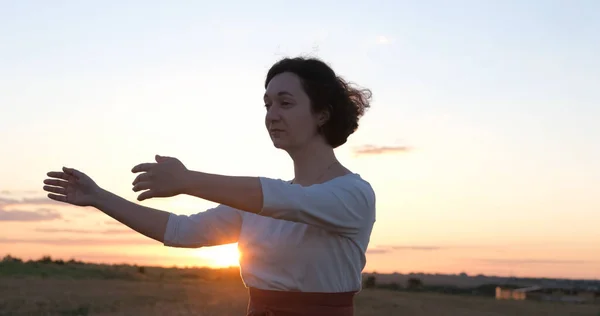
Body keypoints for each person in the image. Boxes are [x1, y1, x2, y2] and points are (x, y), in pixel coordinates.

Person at [42, 56, 376, 316]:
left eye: (285, 103)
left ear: (322, 115)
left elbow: (287, 201)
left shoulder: (352, 194)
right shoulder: (258, 202)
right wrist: (99, 197)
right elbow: (180, 230)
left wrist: (187, 180)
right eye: (267, 104)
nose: (271, 115)